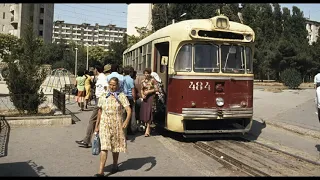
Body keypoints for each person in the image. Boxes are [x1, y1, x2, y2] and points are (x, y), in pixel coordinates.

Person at [94, 77, 131, 177]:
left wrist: (127, 120)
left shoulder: (121, 96)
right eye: (110, 84)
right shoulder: (103, 95)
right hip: (104, 123)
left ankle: (115, 164)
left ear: (117, 85)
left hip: (117, 124)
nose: (112, 87)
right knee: (104, 146)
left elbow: (128, 109)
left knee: (115, 146)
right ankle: (100, 171)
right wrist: (96, 126)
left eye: (114, 85)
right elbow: (100, 111)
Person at [75, 65, 107, 148]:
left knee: (92, 120)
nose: (93, 71)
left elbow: (106, 89)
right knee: (97, 121)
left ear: (96, 70)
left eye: (94, 70)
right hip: (99, 100)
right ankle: (89, 140)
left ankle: (87, 140)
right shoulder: (100, 78)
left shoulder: (102, 78)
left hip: (100, 101)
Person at [140, 68, 159, 137]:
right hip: (145, 98)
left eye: (147, 73)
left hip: (151, 98)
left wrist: (149, 91)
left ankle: (148, 129)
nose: (146, 74)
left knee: (149, 112)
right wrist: (142, 95)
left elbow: (157, 89)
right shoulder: (143, 81)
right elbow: (141, 89)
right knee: (144, 112)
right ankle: (145, 126)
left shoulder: (153, 80)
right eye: (145, 73)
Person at [123, 66, 137, 135]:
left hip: (123, 97)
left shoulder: (122, 79)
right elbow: (133, 90)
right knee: (131, 113)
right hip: (130, 97)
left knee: (124, 114)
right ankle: (130, 130)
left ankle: (124, 129)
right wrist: (134, 98)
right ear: (130, 72)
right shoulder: (130, 80)